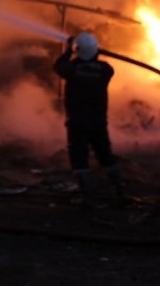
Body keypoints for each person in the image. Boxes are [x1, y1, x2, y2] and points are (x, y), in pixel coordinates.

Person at [53, 32, 126, 206]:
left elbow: (58, 66)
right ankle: (119, 192)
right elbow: (102, 66)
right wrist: (94, 54)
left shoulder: (71, 69)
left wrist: (68, 51)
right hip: (98, 122)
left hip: (77, 122)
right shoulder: (105, 69)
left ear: (77, 51)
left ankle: (87, 197)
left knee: (79, 157)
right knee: (105, 155)